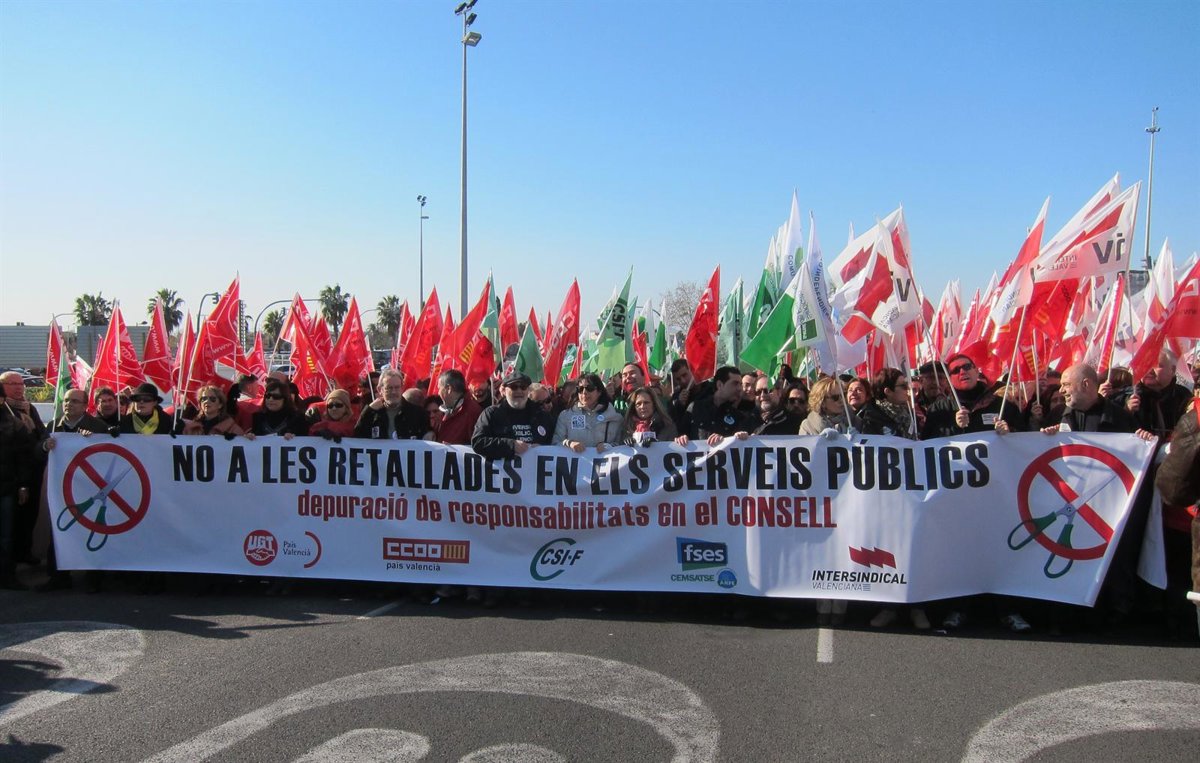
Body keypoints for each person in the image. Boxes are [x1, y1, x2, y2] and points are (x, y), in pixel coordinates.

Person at [856, 369, 930, 630]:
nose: (907, 390)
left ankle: (917, 607)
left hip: (913, 490)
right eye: (902, 386)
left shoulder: (913, 414)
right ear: (887, 391)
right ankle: (888, 607)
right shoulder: (869, 416)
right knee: (889, 551)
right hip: (884, 493)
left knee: (915, 548)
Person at [920, 354, 1022, 439]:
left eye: (967, 367)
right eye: (956, 370)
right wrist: (956, 427)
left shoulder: (1002, 404)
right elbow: (928, 443)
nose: (962, 372)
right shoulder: (938, 409)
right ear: (949, 379)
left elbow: (1024, 438)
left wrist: (1010, 432)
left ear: (976, 371)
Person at [0, 386, 39, 589]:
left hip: (6, 489)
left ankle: (7, 576)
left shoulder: (15, 425)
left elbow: (24, 458)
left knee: (7, 536)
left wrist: (24, 484)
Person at [471, 371, 555, 459]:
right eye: (514, 387)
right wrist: (510, 445)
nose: (519, 391)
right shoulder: (491, 414)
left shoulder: (542, 416)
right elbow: (478, 442)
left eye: (523, 387)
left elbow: (555, 444)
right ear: (504, 390)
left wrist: (543, 448)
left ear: (528, 391)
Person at [554, 373, 622, 452]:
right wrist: (569, 443)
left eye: (589, 388)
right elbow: (555, 443)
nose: (584, 392)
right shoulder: (566, 416)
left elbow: (622, 446)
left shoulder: (615, 418)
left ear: (599, 391)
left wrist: (609, 446)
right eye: (580, 389)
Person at [686, 365, 754, 445]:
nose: (739, 388)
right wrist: (682, 438)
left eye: (740, 384)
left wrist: (729, 439)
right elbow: (681, 433)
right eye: (735, 383)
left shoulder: (739, 416)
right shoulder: (695, 407)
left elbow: (740, 445)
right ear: (719, 385)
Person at [355, 369, 430, 441]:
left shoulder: (417, 413)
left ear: (402, 388)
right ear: (380, 389)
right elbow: (357, 437)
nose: (393, 392)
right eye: (389, 388)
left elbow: (428, 434)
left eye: (397, 387)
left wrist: (430, 433)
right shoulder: (372, 414)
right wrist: (368, 411)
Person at [857, 368, 917, 439]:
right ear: (888, 391)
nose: (908, 388)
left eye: (906, 384)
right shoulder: (871, 419)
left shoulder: (908, 412)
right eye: (903, 386)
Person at [432, 369, 482, 445]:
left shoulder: (472, 412)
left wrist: (454, 448)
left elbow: (477, 444)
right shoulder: (445, 411)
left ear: (449, 389)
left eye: (439, 388)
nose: (438, 393)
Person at [182, 386, 248, 437]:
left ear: (220, 405)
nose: (207, 401)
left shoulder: (232, 429)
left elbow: (244, 445)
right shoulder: (190, 428)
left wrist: (247, 439)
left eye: (212, 399)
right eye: (204, 399)